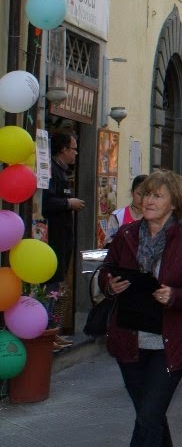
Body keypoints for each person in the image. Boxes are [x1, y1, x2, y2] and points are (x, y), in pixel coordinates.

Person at [99, 170, 182, 447]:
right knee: (150, 416)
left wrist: (175, 296)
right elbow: (107, 270)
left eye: (157, 195)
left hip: (170, 343)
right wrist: (110, 284)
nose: (149, 200)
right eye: (147, 194)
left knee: (149, 416)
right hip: (129, 339)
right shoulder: (126, 235)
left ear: (173, 203)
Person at [42, 131, 84, 351]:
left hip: (63, 238)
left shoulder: (62, 171)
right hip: (54, 239)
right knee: (52, 285)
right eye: (74, 149)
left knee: (58, 286)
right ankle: (47, 333)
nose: (76, 153)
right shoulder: (51, 171)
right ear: (63, 149)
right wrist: (69, 203)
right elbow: (46, 203)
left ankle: (54, 332)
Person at [107, 175, 148, 244]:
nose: (142, 199)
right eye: (139, 194)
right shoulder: (117, 216)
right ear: (132, 192)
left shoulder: (154, 217)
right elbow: (110, 243)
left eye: (146, 194)